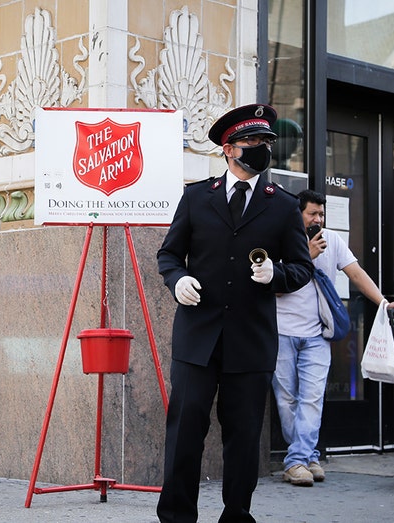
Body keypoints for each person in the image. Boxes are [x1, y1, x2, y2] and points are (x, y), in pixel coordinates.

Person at [156, 103, 314, 522]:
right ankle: (175, 517)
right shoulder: (196, 197)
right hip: (197, 337)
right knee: (184, 433)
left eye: (266, 142)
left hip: (251, 341)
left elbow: (302, 268)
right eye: (252, 142)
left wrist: (275, 274)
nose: (260, 148)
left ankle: (237, 516)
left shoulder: (281, 205)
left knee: (243, 440)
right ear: (229, 149)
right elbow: (169, 254)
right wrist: (178, 281)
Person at [273, 189, 394, 487]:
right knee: (286, 400)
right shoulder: (281, 238)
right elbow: (277, 288)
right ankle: (307, 455)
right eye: (313, 214)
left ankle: (296, 461)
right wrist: (306, 256)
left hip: (318, 334)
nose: (319, 219)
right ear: (298, 214)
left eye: (322, 214)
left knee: (312, 399)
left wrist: (384, 303)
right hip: (281, 332)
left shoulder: (332, 240)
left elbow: (357, 274)